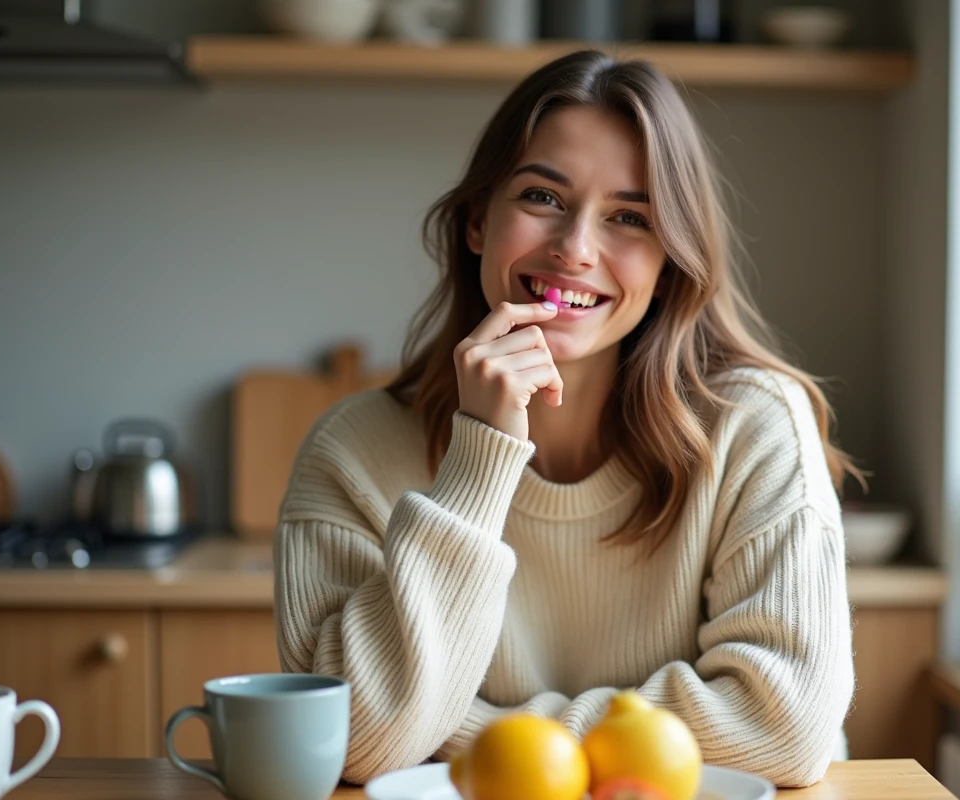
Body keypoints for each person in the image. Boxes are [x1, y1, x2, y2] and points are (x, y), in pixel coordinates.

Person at [274, 48, 856, 789]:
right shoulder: (352, 452)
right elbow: (355, 740)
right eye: (542, 197)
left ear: (668, 263)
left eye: (629, 217)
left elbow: (786, 727)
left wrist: (488, 741)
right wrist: (480, 460)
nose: (576, 249)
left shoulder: (753, 425)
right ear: (477, 221)